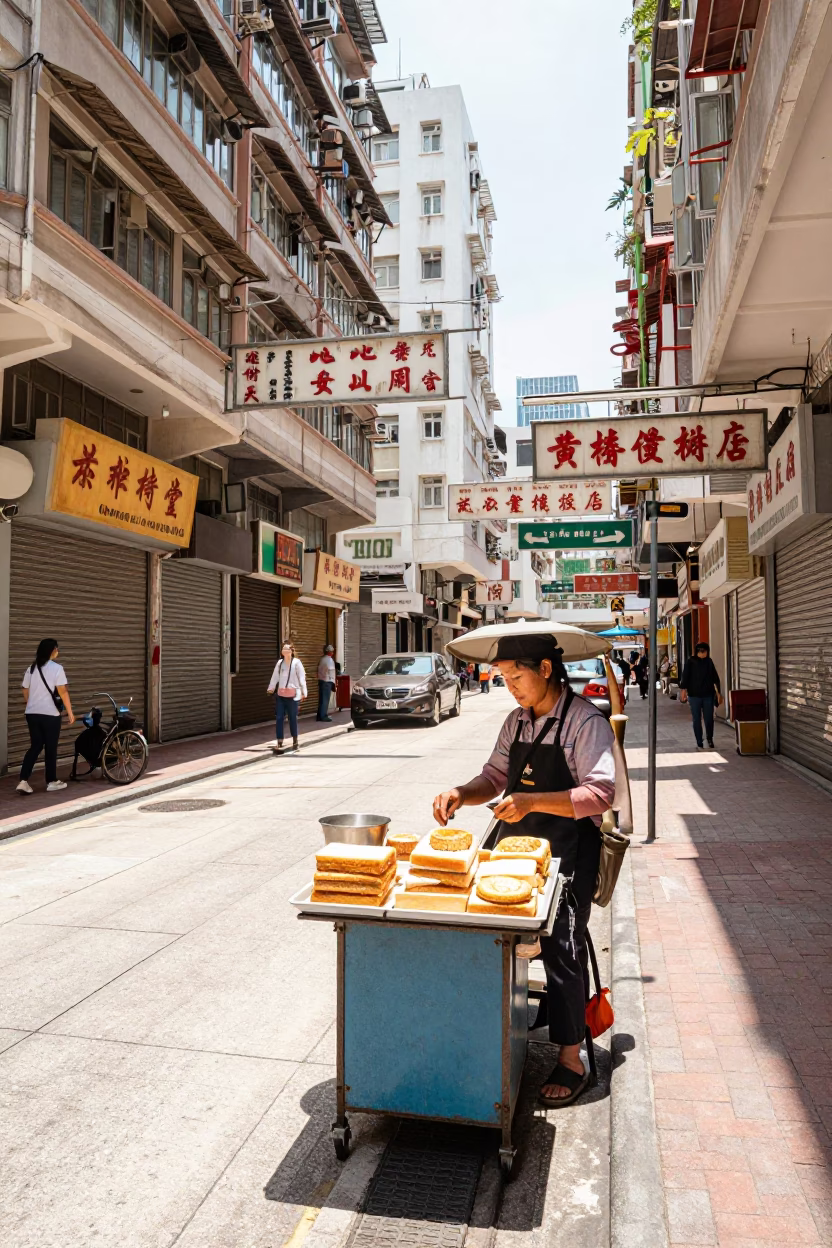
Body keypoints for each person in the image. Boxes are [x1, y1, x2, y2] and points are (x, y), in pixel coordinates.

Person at [433, 633, 614, 1108]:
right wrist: (460, 792)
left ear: (546, 670)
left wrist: (534, 800)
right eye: (504, 678)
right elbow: (494, 776)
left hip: (570, 852)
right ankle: (504, 1029)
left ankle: (572, 1058)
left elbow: (600, 794)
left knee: (561, 948)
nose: (510, 687)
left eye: (516, 677)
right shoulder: (515, 722)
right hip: (515, 848)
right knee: (495, 937)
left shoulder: (585, 722)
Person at [17, 638, 75, 795]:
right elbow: (63, 691)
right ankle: (51, 781)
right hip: (50, 715)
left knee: (35, 746)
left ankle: (23, 780)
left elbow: (24, 688)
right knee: (51, 747)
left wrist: (31, 703)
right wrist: (70, 712)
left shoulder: (31, 668)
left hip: (32, 713)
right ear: (52, 650)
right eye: (57, 649)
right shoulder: (57, 668)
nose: (58, 652)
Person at [679, 642, 722, 750]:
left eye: (705, 652)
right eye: (703, 651)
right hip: (694, 696)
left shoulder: (709, 661)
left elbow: (715, 678)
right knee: (696, 719)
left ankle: (709, 738)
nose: (704, 654)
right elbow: (685, 677)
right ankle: (699, 741)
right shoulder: (690, 662)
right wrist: (683, 691)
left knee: (708, 719)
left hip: (708, 695)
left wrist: (718, 692)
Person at [267, 641, 307, 753]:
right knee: (279, 717)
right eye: (283, 649)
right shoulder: (280, 663)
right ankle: (279, 741)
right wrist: (271, 688)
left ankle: (295, 740)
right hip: (281, 694)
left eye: (287, 648)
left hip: (293, 695)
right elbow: (275, 677)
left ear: (292, 651)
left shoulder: (297, 663)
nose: (284, 650)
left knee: (292, 718)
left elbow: (302, 678)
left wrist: (304, 692)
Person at [316, 644, 337, 722]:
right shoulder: (329, 660)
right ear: (330, 652)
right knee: (325, 700)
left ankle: (319, 715)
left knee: (321, 699)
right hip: (327, 681)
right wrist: (334, 683)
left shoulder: (322, 659)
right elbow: (331, 672)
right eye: (332, 651)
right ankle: (323, 716)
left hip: (321, 681)